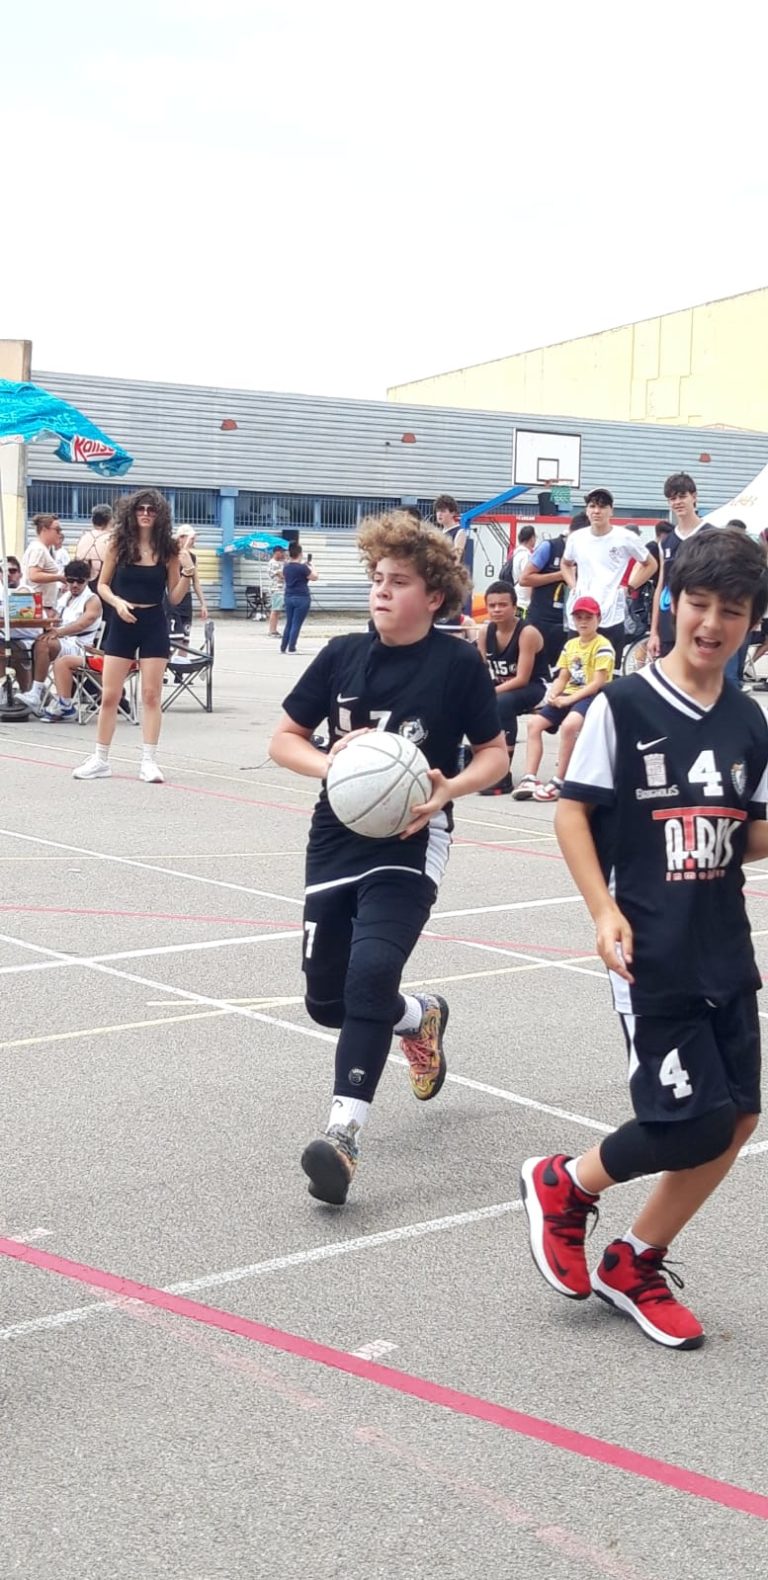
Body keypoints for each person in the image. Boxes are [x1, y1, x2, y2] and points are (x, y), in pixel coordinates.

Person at [520, 528, 768, 1351]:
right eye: (699, 604)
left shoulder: (748, 721)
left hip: (723, 945)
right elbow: (571, 813)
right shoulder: (622, 707)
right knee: (691, 1123)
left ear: (752, 622)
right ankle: (566, 1181)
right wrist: (603, 911)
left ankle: (635, 1261)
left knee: (739, 1119)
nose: (713, 623)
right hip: (649, 948)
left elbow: (746, 833)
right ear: (670, 604)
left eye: (733, 611)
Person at [268, 510, 507, 1206]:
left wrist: (450, 788)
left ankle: (342, 1137)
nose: (382, 590)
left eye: (398, 581)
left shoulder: (456, 664)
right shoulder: (341, 654)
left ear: (434, 597)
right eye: (377, 578)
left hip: (412, 837)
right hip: (336, 836)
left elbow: (494, 756)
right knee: (328, 1002)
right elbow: (283, 738)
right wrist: (331, 765)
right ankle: (416, 1017)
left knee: (371, 972)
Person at [72, 488, 194, 784]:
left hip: (154, 622)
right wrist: (117, 603)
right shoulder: (118, 544)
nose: (146, 514)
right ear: (132, 511)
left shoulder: (167, 549)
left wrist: (188, 573)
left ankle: (148, 761)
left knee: (151, 695)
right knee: (110, 694)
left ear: (160, 514)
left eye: (152, 509)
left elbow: (174, 597)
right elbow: (102, 585)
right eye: (141, 508)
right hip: (122, 621)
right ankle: (100, 759)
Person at [513, 596, 615, 802]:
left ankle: (560, 780)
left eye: (588, 617)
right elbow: (563, 676)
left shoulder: (603, 646)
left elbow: (597, 683)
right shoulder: (570, 645)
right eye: (579, 617)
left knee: (570, 726)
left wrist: (569, 700)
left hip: (593, 696)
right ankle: (529, 777)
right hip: (569, 694)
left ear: (598, 619)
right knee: (534, 724)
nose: (583, 622)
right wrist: (554, 693)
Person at [560, 488, 655, 666]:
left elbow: (650, 564)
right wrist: (574, 587)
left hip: (611, 612)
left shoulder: (625, 537)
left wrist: (629, 587)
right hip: (581, 612)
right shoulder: (576, 538)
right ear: (587, 510)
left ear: (611, 511)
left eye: (602, 507)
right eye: (592, 506)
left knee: (608, 670)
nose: (597, 511)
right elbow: (565, 564)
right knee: (577, 670)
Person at [476, 580, 548, 794]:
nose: (497, 609)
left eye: (502, 604)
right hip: (501, 686)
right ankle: (471, 758)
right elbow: (481, 671)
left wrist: (488, 694)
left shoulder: (527, 633)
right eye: (492, 605)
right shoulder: (484, 632)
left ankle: (502, 775)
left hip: (535, 687)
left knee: (501, 703)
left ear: (514, 607)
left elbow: (522, 679)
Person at [18, 561, 102, 720]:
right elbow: (55, 619)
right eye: (71, 580)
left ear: (87, 580)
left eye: (79, 581)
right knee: (34, 642)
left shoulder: (92, 600)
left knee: (44, 643)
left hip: (81, 647)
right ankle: (35, 692)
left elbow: (82, 624)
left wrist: (57, 632)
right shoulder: (66, 597)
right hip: (64, 642)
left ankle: (37, 693)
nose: (75, 584)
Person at [520, 513, 588, 669]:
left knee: (567, 670)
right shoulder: (549, 547)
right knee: (536, 668)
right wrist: (561, 574)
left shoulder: (588, 554)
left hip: (571, 623)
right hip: (541, 619)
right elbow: (525, 579)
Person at [647, 472, 702, 660]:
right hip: (668, 625)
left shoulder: (711, 535)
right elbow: (661, 586)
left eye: (682, 496)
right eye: (672, 498)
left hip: (699, 624)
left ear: (694, 497)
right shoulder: (666, 542)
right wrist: (654, 632)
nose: (677, 502)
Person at [165, 526, 208, 642]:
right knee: (174, 637)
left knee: (185, 637)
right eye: (191, 538)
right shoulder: (172, 555)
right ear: (181, 538)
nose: (193, 541)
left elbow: (196, 582)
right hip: (173, 599)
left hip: (186, 599)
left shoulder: (192, 557)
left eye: (194, 538)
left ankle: (183, 654)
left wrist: (203, 604)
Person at [21, 514, 67, 613]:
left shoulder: (46, 549)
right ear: (44, 529)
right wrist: (59, 577)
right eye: (57, 530)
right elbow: (34, 575)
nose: (60, 533)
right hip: (37, 606)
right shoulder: (39, 549)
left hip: (38, 604)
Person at [0, 556, 34, 690]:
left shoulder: (25, 589)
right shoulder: (2, 593)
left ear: (20, 574)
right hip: (8, 639)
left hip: (29, 640)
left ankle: (21, 691)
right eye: (3, 571)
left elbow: (20, 610)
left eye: (12, 571)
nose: (8, 574)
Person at [281, 542, 317, 654]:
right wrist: (312, 567)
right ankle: (292, 648)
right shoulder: (303, 568)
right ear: (300, 554)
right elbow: (314, 577)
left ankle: (283, 646)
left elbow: (285, 577)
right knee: (296, 623)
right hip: (302, 597)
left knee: (289, 622)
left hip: (288, 596)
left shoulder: (286, 567)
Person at [500, 524, 536, 616]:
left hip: (517, 593)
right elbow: (528, 576)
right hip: (524, 598)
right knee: (523, 622)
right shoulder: (525, 555)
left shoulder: (516, 554)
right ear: (532, 538)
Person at [76, 504, 114, 589]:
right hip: (105, 584)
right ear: (110, 520)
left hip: (83, 583)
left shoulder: (84, 537)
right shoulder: (111, 538)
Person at [267, 546, 286, 637]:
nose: (282, 554)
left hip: (282, 589)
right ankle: (272, 630)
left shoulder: (281, 562)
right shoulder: (273, 563)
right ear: (276, 552)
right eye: (281, 552)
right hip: (276, 589)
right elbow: (281, 575)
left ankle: (274, 629)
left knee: (278, 610)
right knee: (275, 610)